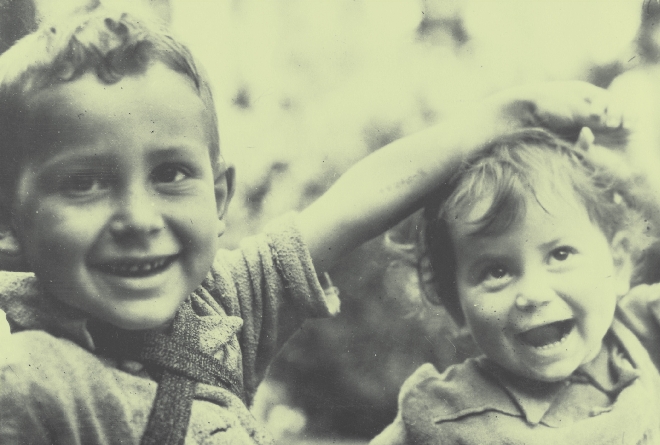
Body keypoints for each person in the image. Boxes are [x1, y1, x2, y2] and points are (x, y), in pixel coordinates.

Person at [0, 5, 626, 445]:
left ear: (220, 198)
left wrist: (507, 113)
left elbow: (355, 203)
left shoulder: (214, 311)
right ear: (8, 225)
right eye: (83, 183)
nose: (138, 219)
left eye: (170, 175)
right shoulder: (29, 380)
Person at [370, 124, 660, 444]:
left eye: (560, 254)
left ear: (617, 264)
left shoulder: (640, 327)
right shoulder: (441, 412)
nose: (533, 294)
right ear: (456, 304)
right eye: (496, 272)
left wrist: (625, 173)